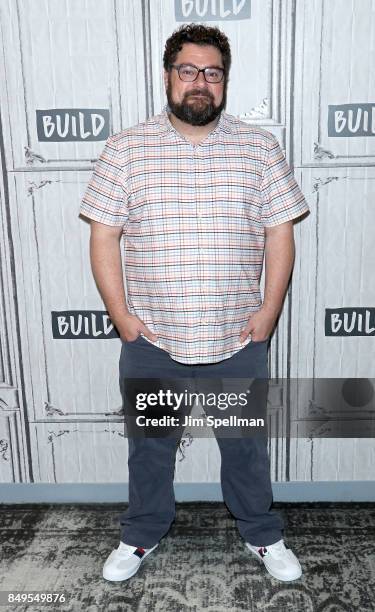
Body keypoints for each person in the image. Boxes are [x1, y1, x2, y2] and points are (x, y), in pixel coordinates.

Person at [79, 23, 309, 583]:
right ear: (168, 76)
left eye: (212, 72)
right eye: (188, 70)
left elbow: (281, 232)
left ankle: (262, 533)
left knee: (246, 448)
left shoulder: (258, 147)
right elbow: (103, 234)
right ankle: (140, 534)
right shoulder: (128, 148)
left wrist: (268, 313)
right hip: (153, 340)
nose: (199, 82)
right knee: (150, 449)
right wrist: (122, 318)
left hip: (237, 338)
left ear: (225, 81)